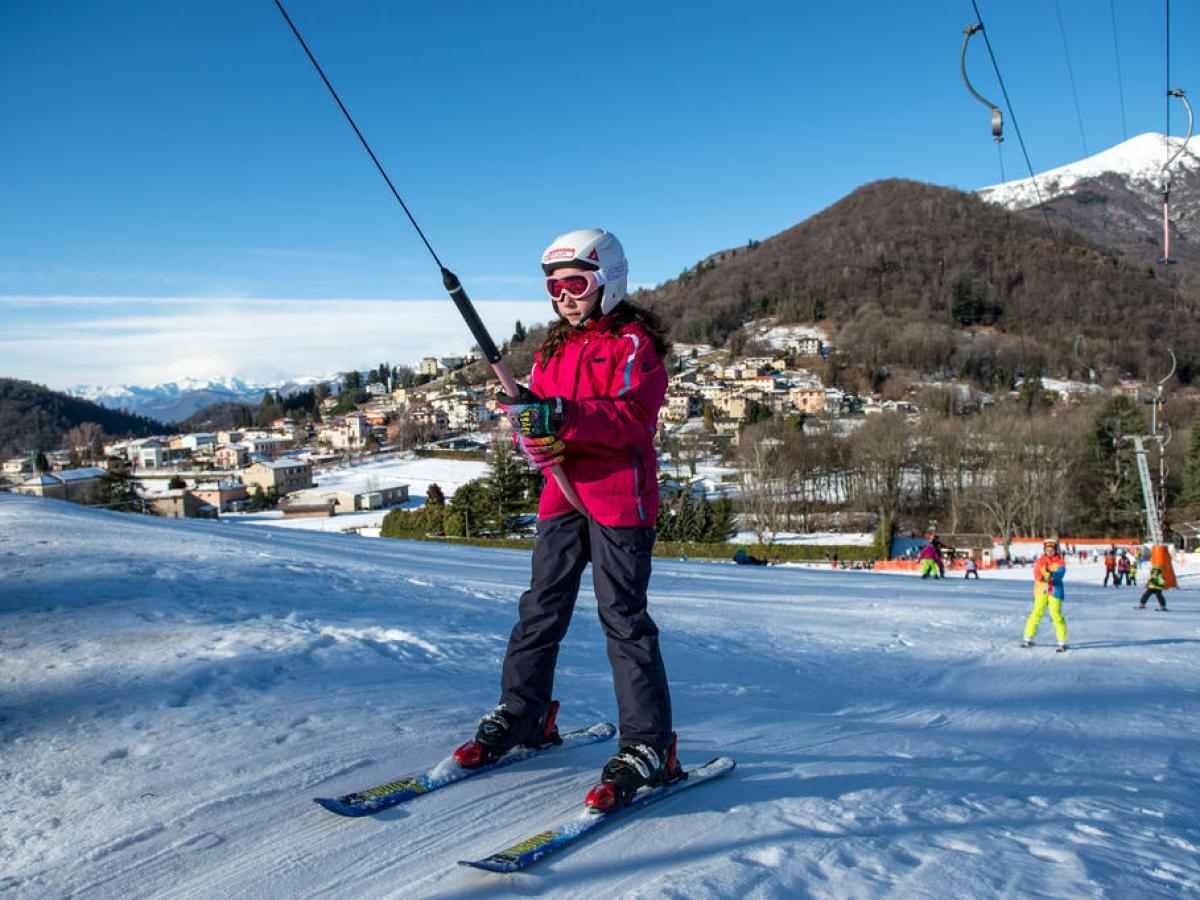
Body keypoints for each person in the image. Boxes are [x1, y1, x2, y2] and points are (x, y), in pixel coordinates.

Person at [454, 229, 680, 812]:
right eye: (554, 288)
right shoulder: (553, 350)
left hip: (616, 499)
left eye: (575, 284)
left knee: (623, 618)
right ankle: (524, 713)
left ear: (608, 282)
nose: (564, 298)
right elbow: (544, 416)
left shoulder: (633, 345)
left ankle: (650, 746)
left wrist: (561, 415)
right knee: (541, 605)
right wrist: (534, 431)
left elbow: (630, 417)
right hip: (562, 493)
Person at [1022, 539, 1068, 652]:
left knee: (1056, 615)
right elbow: (1037, 572)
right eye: (1047, 550)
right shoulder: (1040, 560)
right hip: (1041, 591)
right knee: (1036, 613)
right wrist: (1042, 577)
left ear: (1056, 550)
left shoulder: (1060, 562)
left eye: (1052, 550)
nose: (1049, 552)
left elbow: (1061, 573)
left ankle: (1061, 642)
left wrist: (1052, 574)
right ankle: (1028, 638)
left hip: (1055, 591)